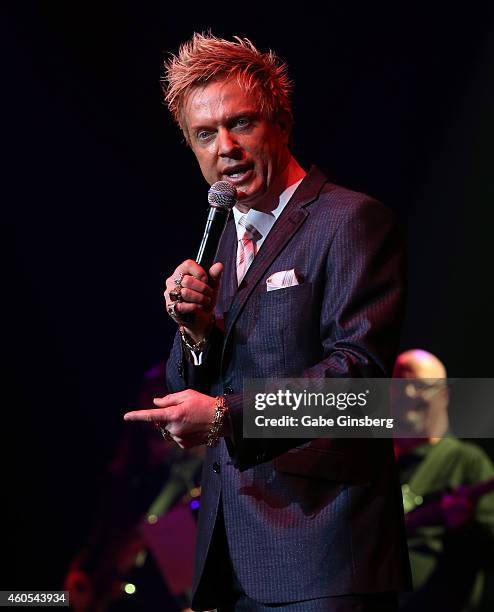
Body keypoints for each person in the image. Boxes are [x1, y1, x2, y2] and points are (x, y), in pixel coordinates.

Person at [124, 33, 411, 611]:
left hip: (324, 554)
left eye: (242, 124)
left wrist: (229, 416)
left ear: (280, 123)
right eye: (205, 134)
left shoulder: (350, 220)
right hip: (232, 558)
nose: (225, 147)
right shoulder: (225, 237)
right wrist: (195, 330)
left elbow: (361, 381)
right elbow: (196, 388)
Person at [392, 349, 494, 612]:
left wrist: (463, 527)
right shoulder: (372, 465)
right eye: (400, 385)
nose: (408, 394)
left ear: (444, 395)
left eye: (421, 386)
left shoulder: (466, 462)